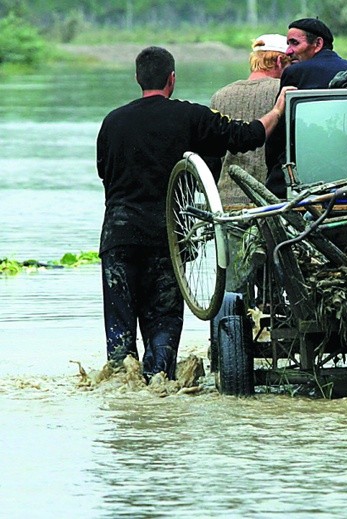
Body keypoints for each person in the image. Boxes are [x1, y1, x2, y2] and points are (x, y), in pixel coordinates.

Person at [96, 46, 291, 381]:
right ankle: (160, 389)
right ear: (172, 79)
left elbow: (104, 172)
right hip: (169, 239)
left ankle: (123, 402)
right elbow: (247, 136)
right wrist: (277, 110)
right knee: (163, 325)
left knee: (120, 342)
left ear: (137, 78)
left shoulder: (112, 122)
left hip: (119, 238)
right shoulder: (191, 117)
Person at [265, 17, 347, 198]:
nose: (288, 51)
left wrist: (272, 170)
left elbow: (279, 133)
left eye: (294, 43)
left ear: (318, 44)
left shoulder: (295, 73)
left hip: (303, 175)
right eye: (287, 44)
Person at [210, 34, 292, 205]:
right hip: (270, 200)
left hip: (227, 201)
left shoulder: (220, 95)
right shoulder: (284, 92)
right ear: (279, 61)